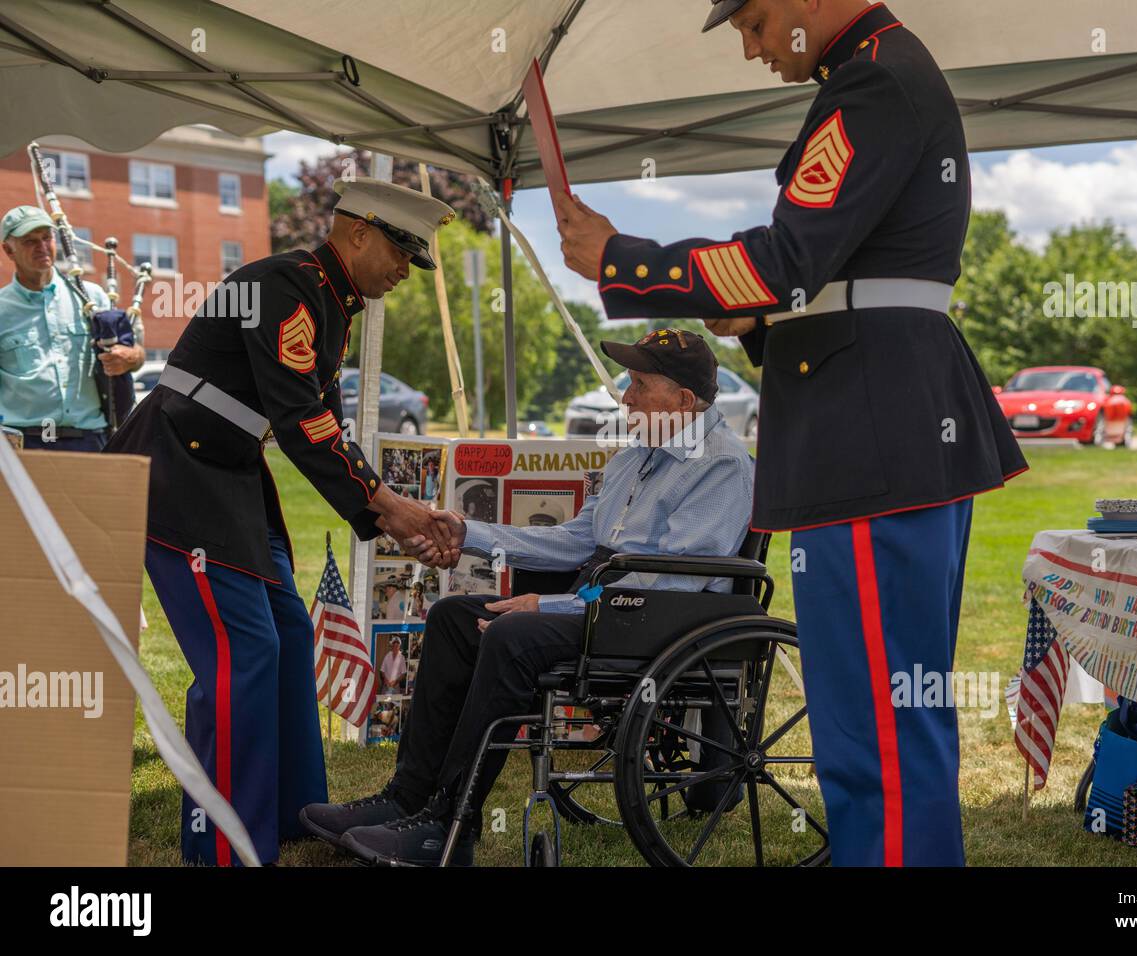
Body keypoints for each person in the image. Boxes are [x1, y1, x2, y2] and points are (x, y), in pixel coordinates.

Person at [555, 0, 1028, 866]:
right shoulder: (870, 73)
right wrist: (761, 326)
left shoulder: (874, 80)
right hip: (870, 422)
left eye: (757, 20)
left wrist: (625, 259)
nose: (753, 46)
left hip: (869, 434)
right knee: (867, 721)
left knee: (879, 728)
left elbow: (784, 258)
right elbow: (832, 272)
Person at [300, 329, 755, 866]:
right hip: (607, 605)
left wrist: (552, 606)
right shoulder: (637, 457)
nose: (625, 397)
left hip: (652, 619)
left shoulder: (722, 465)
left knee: (516, 635)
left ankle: (449, 826)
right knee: (451, 618)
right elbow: (574, 542)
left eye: (638, 384)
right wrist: (469, 532)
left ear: (683, 401)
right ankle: (407, 797)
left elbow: (669, 584)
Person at [106, 178, 458, 866]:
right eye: (397, 250)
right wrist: (390, 504)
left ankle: (294, 815)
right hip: (179, 471)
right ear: (357, 231)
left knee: (291, 634)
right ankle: (226, 844)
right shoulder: (287, 286)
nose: (402, 270)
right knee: (244, 655)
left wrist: (387, 516)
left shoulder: (330, 300)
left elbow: (314, 422)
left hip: (226, 471)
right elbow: (304, 421)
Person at [0, 205, 144, 450]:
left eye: (47, 237)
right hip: (21, 445)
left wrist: (130, 357)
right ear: (8, 250)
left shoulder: (92, 298)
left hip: (89, 440)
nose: (42, 247)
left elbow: (138, 355)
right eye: (29, 241)